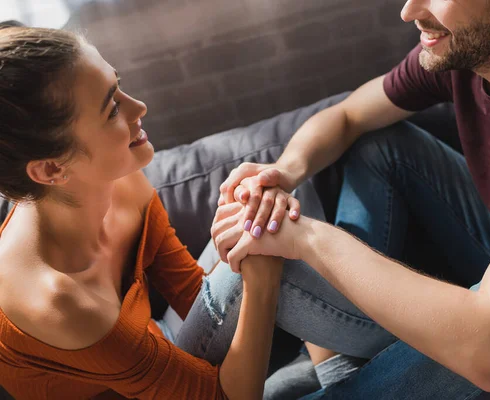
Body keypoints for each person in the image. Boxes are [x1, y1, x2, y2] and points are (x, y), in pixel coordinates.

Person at [216, 0, 490, 398]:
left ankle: (338, 370)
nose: (408, 10)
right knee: (383, 144)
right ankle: (341, 354)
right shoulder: (472, 49)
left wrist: (310, 241)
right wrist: (284, 171)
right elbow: (348, 116)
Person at [0, 25, 396, 399]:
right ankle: (416, 333)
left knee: (270, 194)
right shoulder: (56, 299)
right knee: (264, 239)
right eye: (111, 110)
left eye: (118, 86)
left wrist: (257, 240)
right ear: (52, 169)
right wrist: (262, 274)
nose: (139, 107)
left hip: (163, 346)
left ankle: (342, 369)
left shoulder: (125, 181)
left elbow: (192, 293)